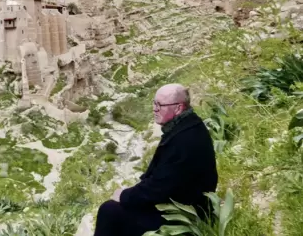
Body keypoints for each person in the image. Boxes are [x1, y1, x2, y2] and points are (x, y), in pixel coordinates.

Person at [93, 83, 218, 236]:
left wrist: (124, 195)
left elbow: (159, 187)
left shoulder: (184, 140)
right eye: (154, 103)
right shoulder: (188, 125)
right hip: (181, 205)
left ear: (178, 108)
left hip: (184, 217)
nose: (154, 109)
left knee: (109, 211)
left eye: (160, 105)